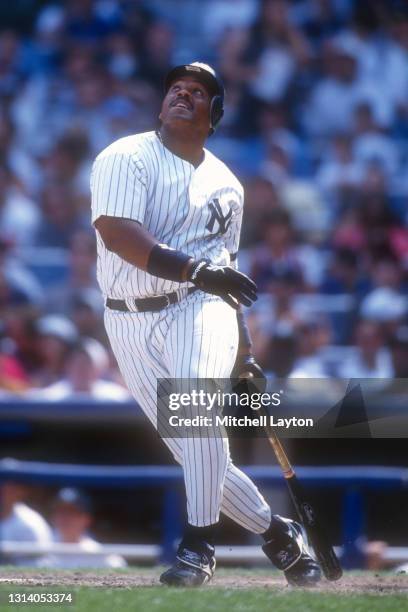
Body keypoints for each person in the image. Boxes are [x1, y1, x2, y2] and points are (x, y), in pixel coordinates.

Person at [90, 62, 320, 587]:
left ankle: (198, 547)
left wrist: (244, 348)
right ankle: (279, 533)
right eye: (176, 88)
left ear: (214, 115)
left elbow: (225, 271)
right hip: (126, 316)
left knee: (193, 409)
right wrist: (195, 268)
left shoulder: (228, 184)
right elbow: (117, 233)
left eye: (198, 93)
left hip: (199, 304)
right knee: (196, 448)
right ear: (161, 102)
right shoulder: (124, 156)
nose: (184, 96)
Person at [48, 487, 126, 569]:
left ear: (87, 519)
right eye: (61, 511)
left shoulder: (98, 554)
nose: (65, 518)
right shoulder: (41, 547)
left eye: (72, 512)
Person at [0, 481, 52, 566]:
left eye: (9, 487)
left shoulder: (31, 523)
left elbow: (38, 567)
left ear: (21, 491)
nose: (3, 490)